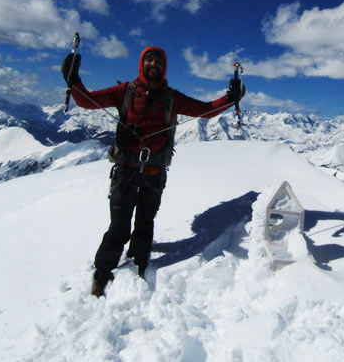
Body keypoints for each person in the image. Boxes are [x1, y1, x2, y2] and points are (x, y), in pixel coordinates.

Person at [61, 46, 245, 297]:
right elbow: (86, 101)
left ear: (164, 66)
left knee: (145, 224)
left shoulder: (172, 97)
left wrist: (229, 98)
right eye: (149, 60)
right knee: (119, 227)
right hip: (126, 170)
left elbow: (205, 110)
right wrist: (73, 79)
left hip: (154, 173)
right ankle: (103, 273)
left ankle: (138, 264)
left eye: (158, 61)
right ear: (141, 64)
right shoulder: (124, 92)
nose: (153, 64)